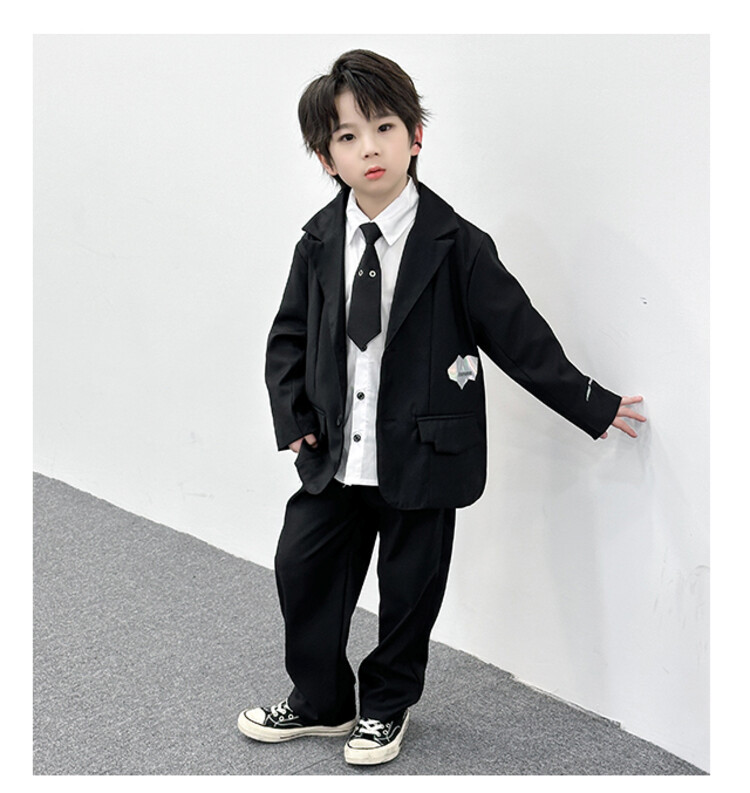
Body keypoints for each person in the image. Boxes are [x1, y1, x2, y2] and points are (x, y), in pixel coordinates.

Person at [237, 49, 646, 766]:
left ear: (415, 136)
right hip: (337, 452)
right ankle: (322, 701)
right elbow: (288, 337)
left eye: (384, 128)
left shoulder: (456, 244)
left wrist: (590, 400)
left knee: (409, 590)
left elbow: (517, 335)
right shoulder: (319, 241)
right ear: (326, 158)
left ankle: (385, 706)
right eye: (347, 137)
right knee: (302, 568)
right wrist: (294, 418)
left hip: (424, 454)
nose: (369, 148)